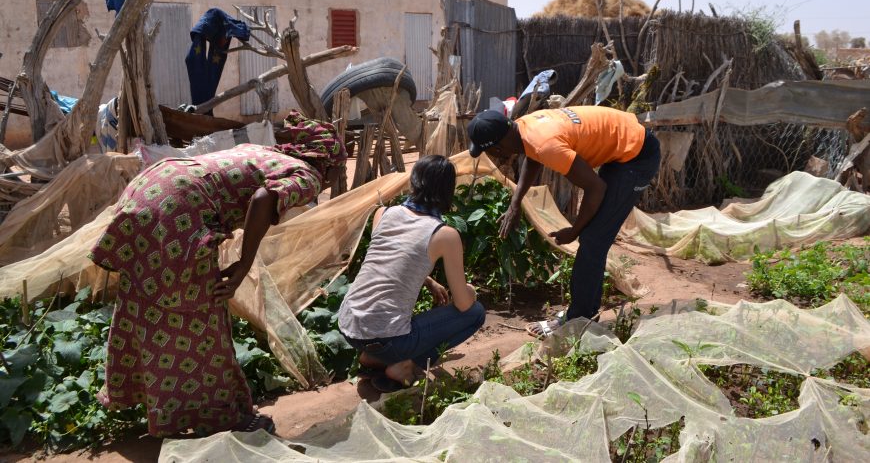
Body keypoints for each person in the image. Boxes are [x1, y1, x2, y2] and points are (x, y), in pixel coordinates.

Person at [88, 111, 346, 438]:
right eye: (339, 165)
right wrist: (242, 265)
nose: (339, 173)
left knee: (144, 300)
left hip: (151, 187)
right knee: (203, 319)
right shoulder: (306, 173)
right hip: (178, 209)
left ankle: (145, 397)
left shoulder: (266, 153)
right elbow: (264, 198)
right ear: (328, 161)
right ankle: (222, 417)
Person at [466, 106, 660, 337]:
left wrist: (575, 230)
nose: (495, 157)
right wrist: (515, 203)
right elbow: (533, 156)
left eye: (492, 152)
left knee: (592, 239)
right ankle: (585, 312)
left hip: (637, 155)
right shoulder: (524, 128)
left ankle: (578, 319)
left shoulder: (546, 144)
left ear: (498, 147)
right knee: (593, 239)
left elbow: (595, 188)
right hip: (624, 144)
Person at [338, 155, 485, 393]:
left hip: (349, 325)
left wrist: (428, 281)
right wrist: (471, 291)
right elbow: (463, 303)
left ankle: (372, 357)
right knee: (476, 313)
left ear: (413, 183)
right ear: (449, 191)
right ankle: (405, 364)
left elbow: (391, 261)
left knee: (386, 326)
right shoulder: (445, 234)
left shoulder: (384, 214)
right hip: (387, 337)